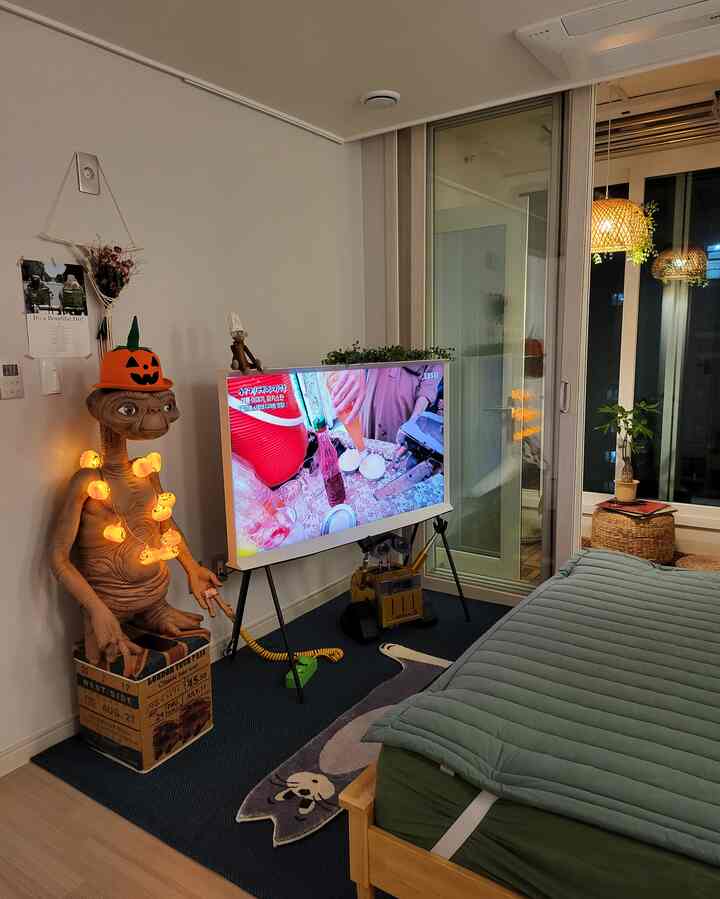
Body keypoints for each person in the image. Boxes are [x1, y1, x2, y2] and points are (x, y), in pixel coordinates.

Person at [328, 363, 442, 445]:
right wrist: (356, 363)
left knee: (394, 448)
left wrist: (413, 422)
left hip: (405, 402)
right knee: (367, 441)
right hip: (373, 386)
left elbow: (430, 382)